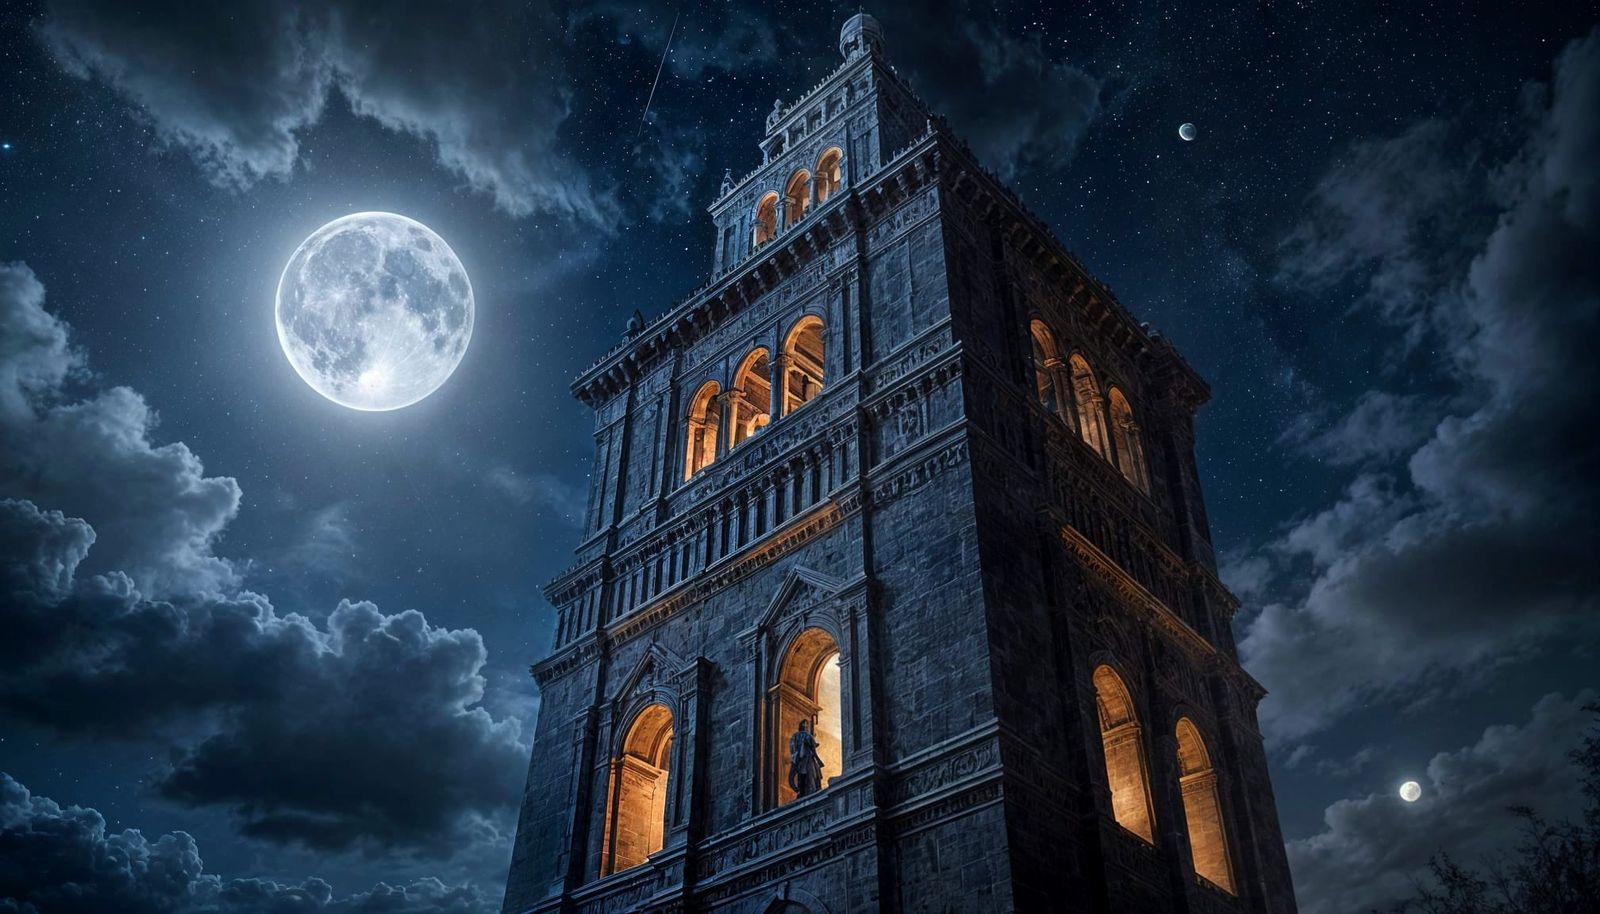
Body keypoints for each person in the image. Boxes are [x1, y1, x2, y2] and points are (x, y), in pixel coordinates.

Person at [788, 719, 824, 797]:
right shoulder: (807, 736)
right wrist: (817, 759)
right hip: (806, 761)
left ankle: (803, 792)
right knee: (810, 778)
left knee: (803, 778)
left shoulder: (795, 736)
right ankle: (808, 792)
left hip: (801, 760)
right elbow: (813, 747)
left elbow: (792, 749)